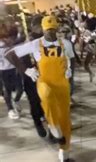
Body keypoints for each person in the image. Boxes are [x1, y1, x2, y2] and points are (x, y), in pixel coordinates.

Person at [6, 16, 75, 161]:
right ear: (42, 29)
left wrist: (70, 70)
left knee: (65, 118)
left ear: (57, 28)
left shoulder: (66, 44)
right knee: (47, 97)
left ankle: (64, 151)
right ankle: (53, 126)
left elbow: (71, 58)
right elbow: (10, 54)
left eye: (52, 29)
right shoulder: (35, 44)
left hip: (62, 84)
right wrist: (26, 70)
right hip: (44, 82)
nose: (50, 32)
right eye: (47, 29)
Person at [0, 24, 23, 119]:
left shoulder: (11, 41)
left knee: (20, 88)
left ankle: (16, 100)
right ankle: (10, 109)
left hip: (14, 68)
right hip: (3, 70)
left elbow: (19, 41)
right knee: (7, 90)